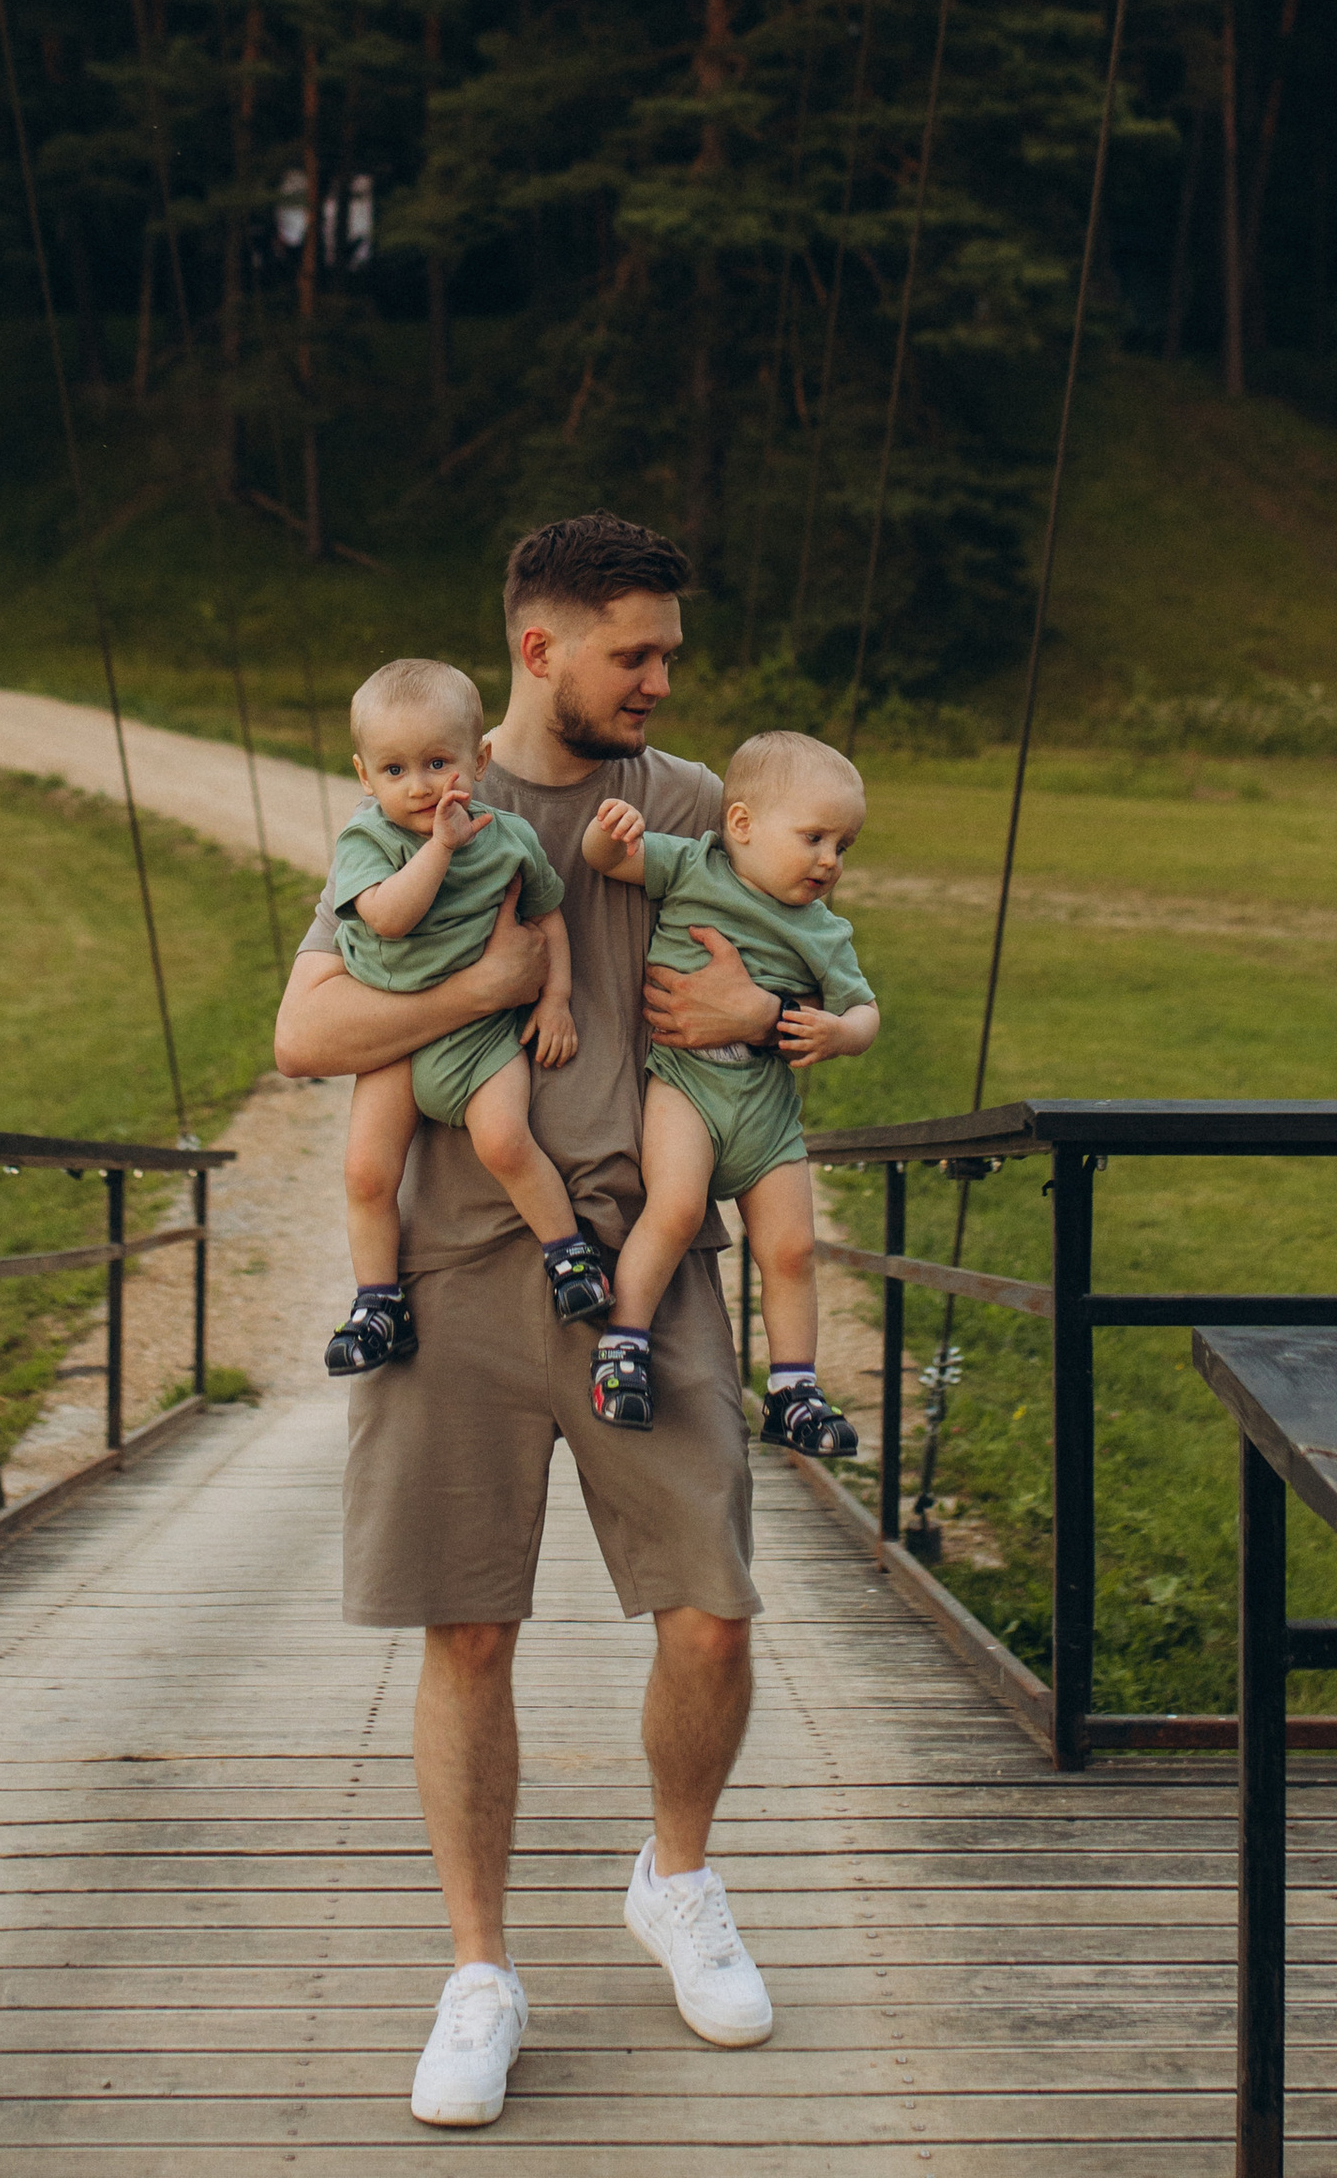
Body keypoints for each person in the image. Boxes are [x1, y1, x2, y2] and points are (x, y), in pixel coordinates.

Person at [272, 511, 785, 2132]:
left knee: (713, 1607)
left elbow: (783, 974)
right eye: (636, 653)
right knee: (468, 1628)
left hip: (643, 1269)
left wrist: (761, 1013)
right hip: (450, 1272)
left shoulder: (689, 801)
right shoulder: (423, 784)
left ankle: (677, 1882)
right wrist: (484, 992)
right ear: (541, 648)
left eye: (670, 657)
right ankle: (480, 1973)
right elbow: (307, 1027)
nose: (660, 681)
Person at [580, 729, 879, 1458]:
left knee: (793, 1248)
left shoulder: (825, 932)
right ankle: (623, 1346)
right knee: (675, 1209)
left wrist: (841, 1035)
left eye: (844, 846)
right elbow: (614, 863)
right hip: (687, 1086)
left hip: (767, 1113)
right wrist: (604, 835)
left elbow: (865, 1012)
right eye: (814, 838)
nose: (830, 861)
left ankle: (793, 1389)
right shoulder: (693, 866)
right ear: (741, 824)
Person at [319, 658, 613, 1380]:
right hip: (396, 1035)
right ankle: (377, 1302)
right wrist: (441, 850)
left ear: (479, 760)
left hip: (483, 1038)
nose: (418, 785)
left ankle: (568, 1255)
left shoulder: (509, 838)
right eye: (394, 770)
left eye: (438, 762)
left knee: (506, 1140)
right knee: (365, 1171)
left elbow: (547, 916)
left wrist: (553, 999)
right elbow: (387, 918)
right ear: (364, 777)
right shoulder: (368, 842)